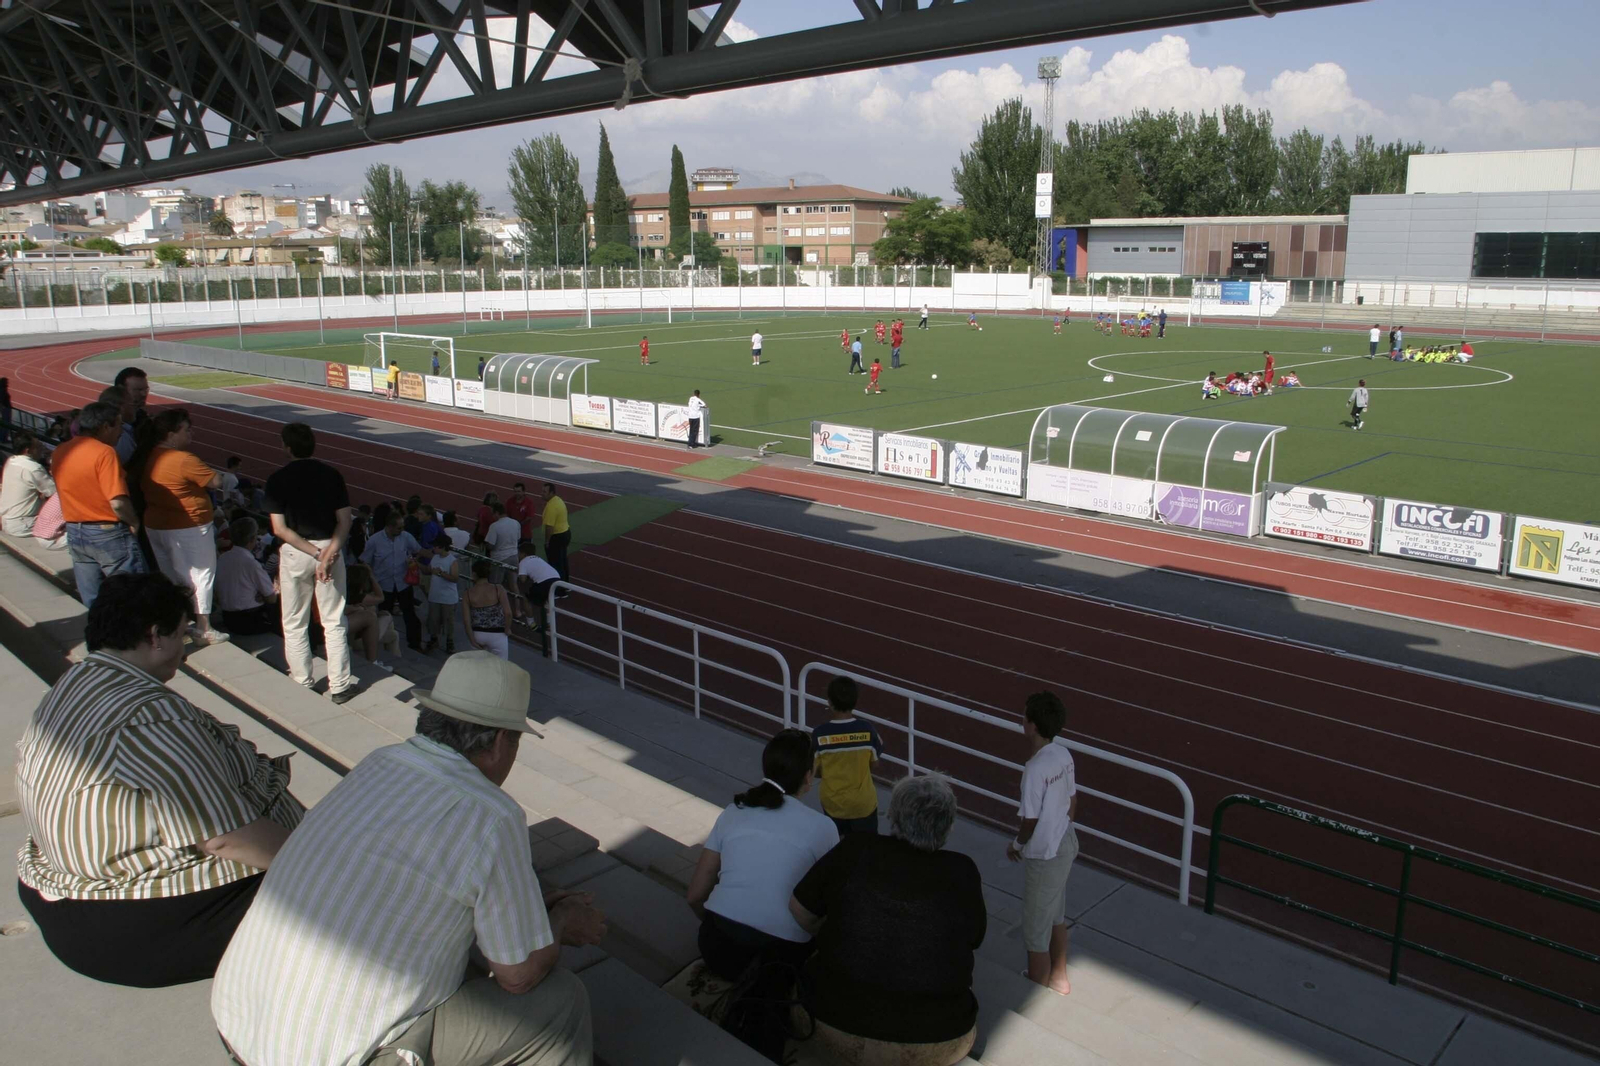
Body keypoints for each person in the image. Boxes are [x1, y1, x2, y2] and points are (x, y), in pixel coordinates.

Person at [212, 652, 605, 1066]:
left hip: (236, 1021)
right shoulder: (493, 814)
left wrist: (530, 912)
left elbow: (407, 876)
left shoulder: (378, 763)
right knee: (562, 1001)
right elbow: (519, 975)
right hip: (325, 1056)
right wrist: (560, 922)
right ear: (500, 742)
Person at [16, 572, 305, 988]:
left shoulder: (78, 680)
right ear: (156, 636)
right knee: (353, 894)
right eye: (182, 635)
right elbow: (224, 836)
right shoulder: (150, 715)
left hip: (71, 898)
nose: (184, 651)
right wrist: (323, 861)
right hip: (131, 926)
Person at [789, 775, 986, 1066]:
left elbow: (799, 908)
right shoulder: (963, 871)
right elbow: (974, 939)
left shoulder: (855, 849)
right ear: (948, 826)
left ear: (892, 816)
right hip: (939, 1039)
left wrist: (831, 935)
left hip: (830, 1021)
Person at [685, 729, 838, 1058]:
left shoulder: (733, 811)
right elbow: (828, 904)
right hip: (783, 957)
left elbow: (695, 895)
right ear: (808, 777)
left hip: (717, 947)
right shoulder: (824, 828)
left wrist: (722, 919)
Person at [264, 422, 356, 702]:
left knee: (294, 621)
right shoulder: (332, 475)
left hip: (296, 552)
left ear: (287, 447)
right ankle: (340, 685)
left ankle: (302, 681)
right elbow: (345, 520)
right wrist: (328, 553)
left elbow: (279, 529)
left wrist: (315, 554)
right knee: (334, 620)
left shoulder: (277, 479)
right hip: (330, 548)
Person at [1006, 692, 1079, 996]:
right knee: (1056, 916)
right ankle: (1059, 979)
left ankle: (1036, 990)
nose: (1022, 720)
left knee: (1035, 931)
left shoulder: (1034, 770)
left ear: (1032, 725)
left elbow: (1030, 822)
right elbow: (1073, 799)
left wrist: (1016, 846)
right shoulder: (1063, 754)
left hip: (1045, 856)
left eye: (1024, 717)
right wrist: (1063, 827)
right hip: (1066, 844)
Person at [137, 408, 229, 644]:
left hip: (156, 524)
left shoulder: (148, 454)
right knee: (201, 574)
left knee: (172, 575)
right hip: (189, 524)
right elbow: (215, 481)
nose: (191, 434)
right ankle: (203, 627)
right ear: (171, 434)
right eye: (186, 430)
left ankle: (179, 621)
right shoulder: (183, 460)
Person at [52, 401, 144, 609]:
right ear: (105, 427)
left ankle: (101, 635)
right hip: (107, 531)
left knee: (92, 597)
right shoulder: (105, 453)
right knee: (130, 593)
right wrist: (134, 521)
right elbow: (118, 502)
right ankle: (133, 637)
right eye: (118, 426)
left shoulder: (60, 451)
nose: (121, 432)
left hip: (76, 530)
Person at [811, 675, 883, 836]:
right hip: (864, 805)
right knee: (867, 849)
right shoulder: (867, 730)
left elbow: (814, 771)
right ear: (855, 701)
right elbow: (874, 763)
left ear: (829, 702)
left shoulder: (819, 735)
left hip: (834, 805)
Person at [362, 509, 422, 653]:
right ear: (389, 526)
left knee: (410, 614)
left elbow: (417, 550)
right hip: (384, 585)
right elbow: (365, 561)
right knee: (384, 615)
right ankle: (381, 643)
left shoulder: (406, 537)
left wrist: (414, 561)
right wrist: (370, 581)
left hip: (403, 583)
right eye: (399, 527)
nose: (402, 530)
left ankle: (415, 644)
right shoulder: (375, 541)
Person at [215, 516, 280, 636]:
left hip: (227, 616)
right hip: (250, 620)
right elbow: (271, 598)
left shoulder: (222, 558)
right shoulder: (250, 563)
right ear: (252, 539)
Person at [2, 429, 55, 536]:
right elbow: (54, 492)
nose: (41, 450)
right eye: (38, 447)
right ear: (28, 450)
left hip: (7, 520)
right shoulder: (32, 468)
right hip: (24, 523)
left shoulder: (11, 461)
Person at [345, 562, 397, 669]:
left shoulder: (347, 592)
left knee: (394, 634)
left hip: (355, 636)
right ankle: (381, 662)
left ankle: (395, 662)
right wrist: (372, 576)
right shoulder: (360, 597)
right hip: (358, 641)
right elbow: (380, 597)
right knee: (387, 617)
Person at [461, 558, 512, 659]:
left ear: (474, 574)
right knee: (500, 667)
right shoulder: (499, 589)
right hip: (498, 634)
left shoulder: (467, 594)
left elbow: (466, 621)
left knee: (478, 668)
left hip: (478, 634)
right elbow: (508, 613)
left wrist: (471, 639)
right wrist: (507, 629)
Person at [423, 531, 461, 654]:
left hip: (448, 598)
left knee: (448, 621)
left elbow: (455, 578)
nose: (433, 548)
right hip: (435, 596)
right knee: (433, 620)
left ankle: (449, 642)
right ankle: (434, 639)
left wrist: (441, 573)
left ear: (442, 547)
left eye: (436, 546)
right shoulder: (434, 558)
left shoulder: (452, 561)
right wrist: (415, 564)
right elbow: (428, 570)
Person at [516, 540, 560, 646]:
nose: (518, 555)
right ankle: (549, 623)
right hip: (556, 579)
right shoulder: (539, 558)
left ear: (523, 554)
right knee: (548, 600)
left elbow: (522, 579)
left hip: (543, 582)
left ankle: (531, 623)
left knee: (526, 597)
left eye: (519, 553)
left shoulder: (523, 562)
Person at [484, 499, 522, 592]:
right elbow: (518, 538)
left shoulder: (494, 526)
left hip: (499, 558)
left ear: (497, 513)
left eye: (493, 514)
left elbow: (490, 546)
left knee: (496, 585)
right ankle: (517, 606)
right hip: (514, 556)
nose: (492, 516)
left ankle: (497, 605)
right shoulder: (515, 523)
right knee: (513, 584)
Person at [540, 481, 572, 587]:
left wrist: (547, 541)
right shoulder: (558, 500)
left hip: (557, 537)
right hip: (565, 532)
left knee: (555, 564)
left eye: (545, 492)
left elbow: (549, 527)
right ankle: (566, 585)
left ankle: (559, 589)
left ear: (551, 493)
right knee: (562, 561)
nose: (542, 493)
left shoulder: (551, 506)